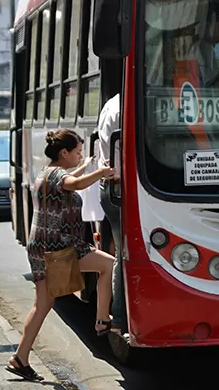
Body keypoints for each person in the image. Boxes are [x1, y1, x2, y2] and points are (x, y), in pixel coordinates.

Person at [6, 129, 116, 382]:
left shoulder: (47, 172)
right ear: (63, 153)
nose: (79, 156)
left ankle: (20, 358)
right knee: (109, 265)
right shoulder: (58, 176)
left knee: (43, 304)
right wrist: (99, 173)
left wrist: (86, 166)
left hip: (43, 246)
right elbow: (72, 184)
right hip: (59, 247)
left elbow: (69, 178)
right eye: (77, 152)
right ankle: (102, 320)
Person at [97, 93, 127, 335]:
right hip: (118, 189)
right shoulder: (124, 105)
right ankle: (118, 317)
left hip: (113, 186)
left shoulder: (113, 103)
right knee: (124, 252)